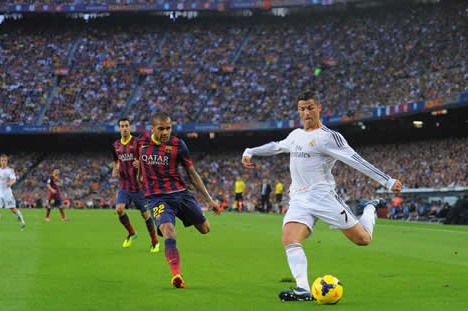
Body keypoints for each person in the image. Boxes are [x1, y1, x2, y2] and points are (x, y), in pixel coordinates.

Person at [241, 89, 402, 302]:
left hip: (323, 197)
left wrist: (387, 181)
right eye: (301, 109)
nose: (306, 113)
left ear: (319, 109)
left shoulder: (329, 138)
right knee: (289, 238)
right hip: (299, 199)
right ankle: (303, 289)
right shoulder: (296, 135)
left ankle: (370, 208)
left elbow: (356, 160)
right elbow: (277, 147)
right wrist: (250, 150)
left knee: (363, 240)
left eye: (310, 108)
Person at [137, 112, 220, 288]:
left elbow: (191, 173)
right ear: (152, 129)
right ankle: (177, 275)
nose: (165, 132)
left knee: (205, 229)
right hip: (157, 198)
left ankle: (173, 223)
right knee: (168, 230)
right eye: (161, 129)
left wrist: (209, 200)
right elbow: (138, 160)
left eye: (168, 128)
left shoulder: (178, 145)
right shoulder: (141, 142)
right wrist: (139, 175)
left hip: (181, 194)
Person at [112, 117, 159, 251]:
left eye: (127, 125)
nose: (125, 128)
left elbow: (148, 158)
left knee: (145, 215)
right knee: (119, 209)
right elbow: (115, 161)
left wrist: (141, 163)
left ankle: (155, 241)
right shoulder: (116, 145)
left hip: (138, 186)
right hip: (124, 185)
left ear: (130, 127)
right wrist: (115, 169)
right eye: (122, 126)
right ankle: (132, 233)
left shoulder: (137, 142)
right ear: (119, 128)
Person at [0, 154, 26, 231]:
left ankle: (22, 222)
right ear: (0, 161)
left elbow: (14, 179)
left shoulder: (10, 170)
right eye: (2, 160)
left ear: (7, 161)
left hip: (7, 192)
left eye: (5, 160)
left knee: (13, 209)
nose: (3, 162)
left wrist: (10, 183)